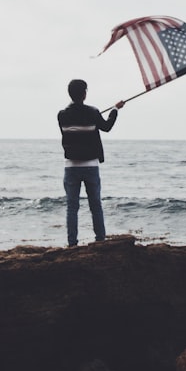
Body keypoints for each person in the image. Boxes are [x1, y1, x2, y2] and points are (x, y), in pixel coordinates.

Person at [58, 79, 124, 247]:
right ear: (85, 93)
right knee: (95, 205)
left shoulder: (62, 115)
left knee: (72, 207)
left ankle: (72, 243)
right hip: (91, 166)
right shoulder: (93, 112)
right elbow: (107, 127)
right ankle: (100, 240)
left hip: (71, 166)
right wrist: (115, 110)